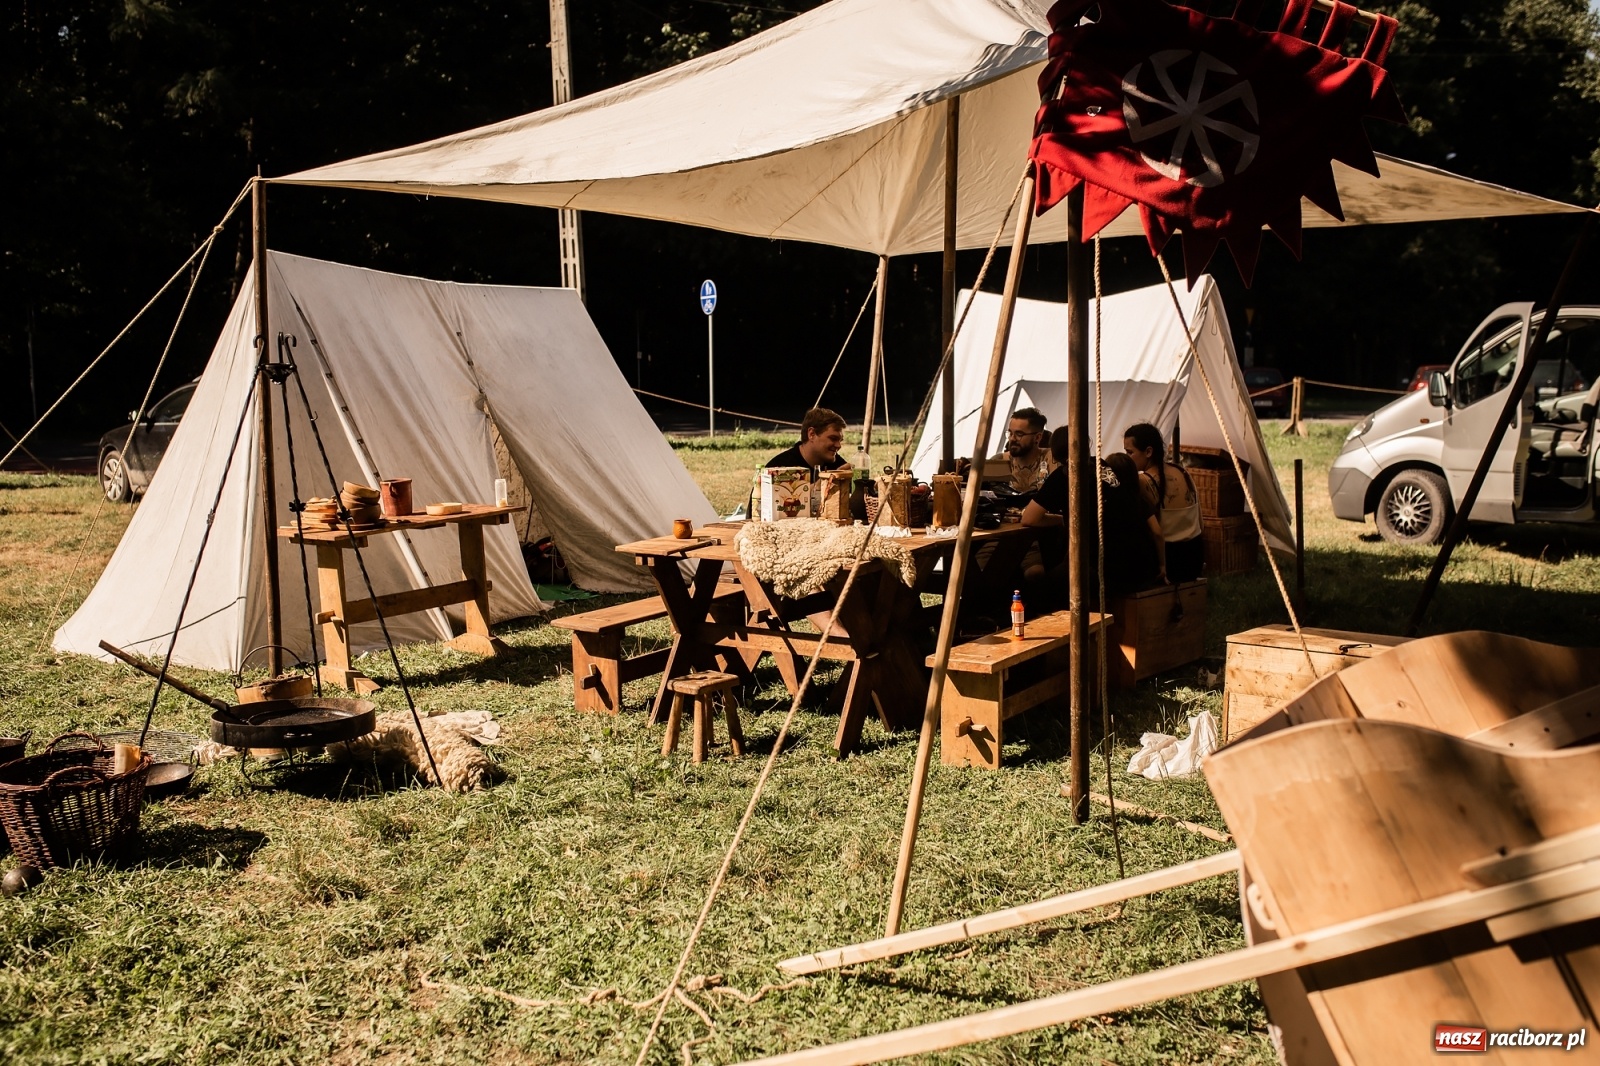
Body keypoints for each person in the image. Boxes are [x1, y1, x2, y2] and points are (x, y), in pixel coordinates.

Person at [1021, 431, 1162, 605]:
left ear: (1054, 453)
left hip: (1104, 570)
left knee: (1035, 592)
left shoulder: (1063, 475)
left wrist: (1060, 520)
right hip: (1139, 565)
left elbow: (1029, 519)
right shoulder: (1103, 465)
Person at [1123, 422, 1204, 583]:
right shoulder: (1183, 472)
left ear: (1148, 452)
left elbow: (1154, 532)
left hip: (1170, 562)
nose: (1126, 458)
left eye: (1129, 452)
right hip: (1195, 556)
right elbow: (1200, 522)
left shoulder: (1143, 481)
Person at [986, 407, 1054, 493]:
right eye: (1010, 433)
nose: (1012, 439)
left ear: (1037, 437)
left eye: (1019, 434)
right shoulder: (999, 461)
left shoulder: (1051, 460)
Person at [765, 407, 851, 474]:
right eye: (833, 438)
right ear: (812, 434)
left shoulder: (838, 467)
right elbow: (757, 496)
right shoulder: (778, 468)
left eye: (840, 440)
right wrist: (822, 484)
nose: (839, 445)